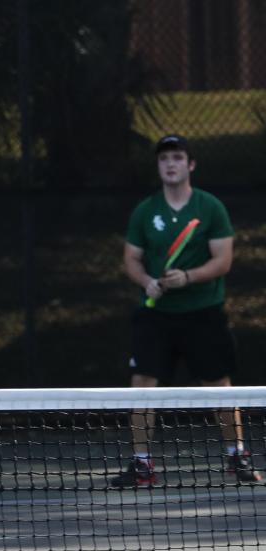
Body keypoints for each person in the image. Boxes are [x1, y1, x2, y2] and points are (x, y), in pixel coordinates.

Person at [111, 133, 261, 488]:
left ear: (190, 165)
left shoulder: (210, 208)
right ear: (159, 167)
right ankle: (142, 465)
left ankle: (237, 457)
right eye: (164, 159)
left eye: (177, 157)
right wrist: (147, 280)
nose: (171, 164)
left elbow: (223, 261)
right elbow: (130, 259)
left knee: (219, 387)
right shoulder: (146, 211)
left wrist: (188, 277)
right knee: (141, 387)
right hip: (156, 316)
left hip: (202, 313)